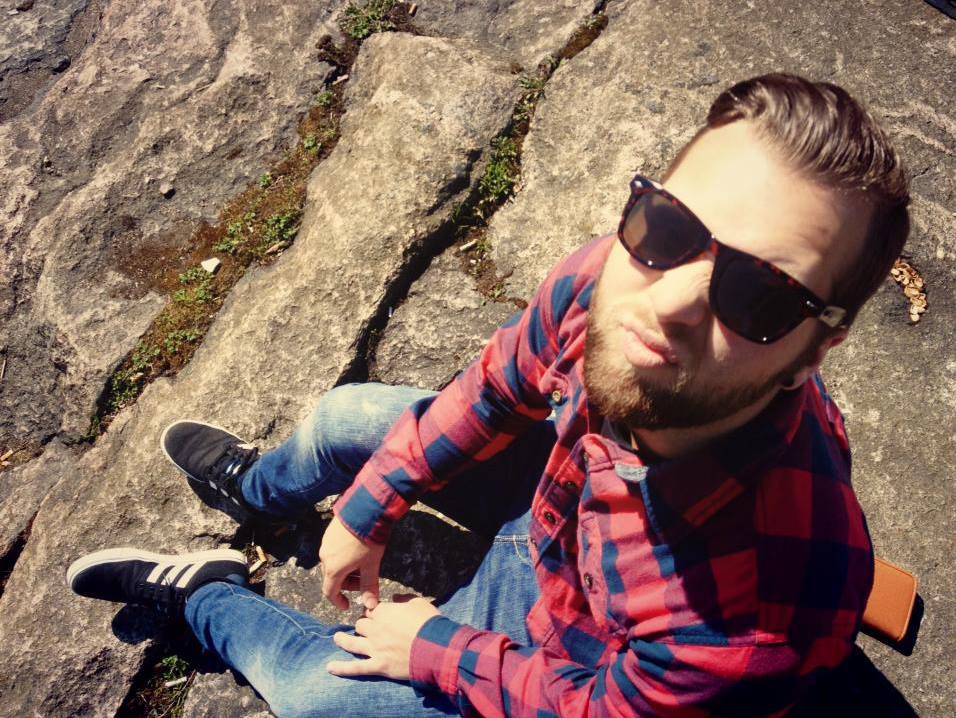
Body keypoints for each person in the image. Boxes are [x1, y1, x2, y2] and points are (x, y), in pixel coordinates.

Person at [67, 73, 910, 717]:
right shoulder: (606, 278)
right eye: (672, 227)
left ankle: (204, 597)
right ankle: (257, 490)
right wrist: (372, 502)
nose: (671, 302)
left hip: (582, 641)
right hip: (559, 516)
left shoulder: (751, 622)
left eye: (760, 297)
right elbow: (497, 385)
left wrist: (434, 647)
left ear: (815, 350)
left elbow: (590, 709)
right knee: (344, 418)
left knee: (314, 693)